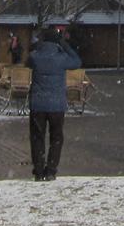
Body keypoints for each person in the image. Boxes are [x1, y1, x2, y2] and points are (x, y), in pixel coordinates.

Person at [26, 26, 82, 181]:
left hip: (38, 104)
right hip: (56, 105)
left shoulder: (35, 56)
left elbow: (28, 60)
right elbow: (77, 61)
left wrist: (39, 46)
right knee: (56, 137)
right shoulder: (62, 58)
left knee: (37, 137)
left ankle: (38, 171)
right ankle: (51, 170)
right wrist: (64, 45)